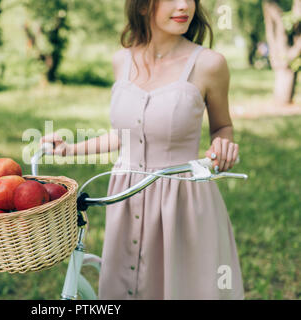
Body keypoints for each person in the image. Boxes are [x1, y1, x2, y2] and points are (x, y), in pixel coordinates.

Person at [40, 0, 244, 300]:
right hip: (126, 196)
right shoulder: (121, 61)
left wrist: (221, 145)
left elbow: (222, 127)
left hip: (182, 203)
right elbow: (125, 136)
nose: (184, 5)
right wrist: (68, 149)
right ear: (143, 6)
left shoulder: (210, 64)